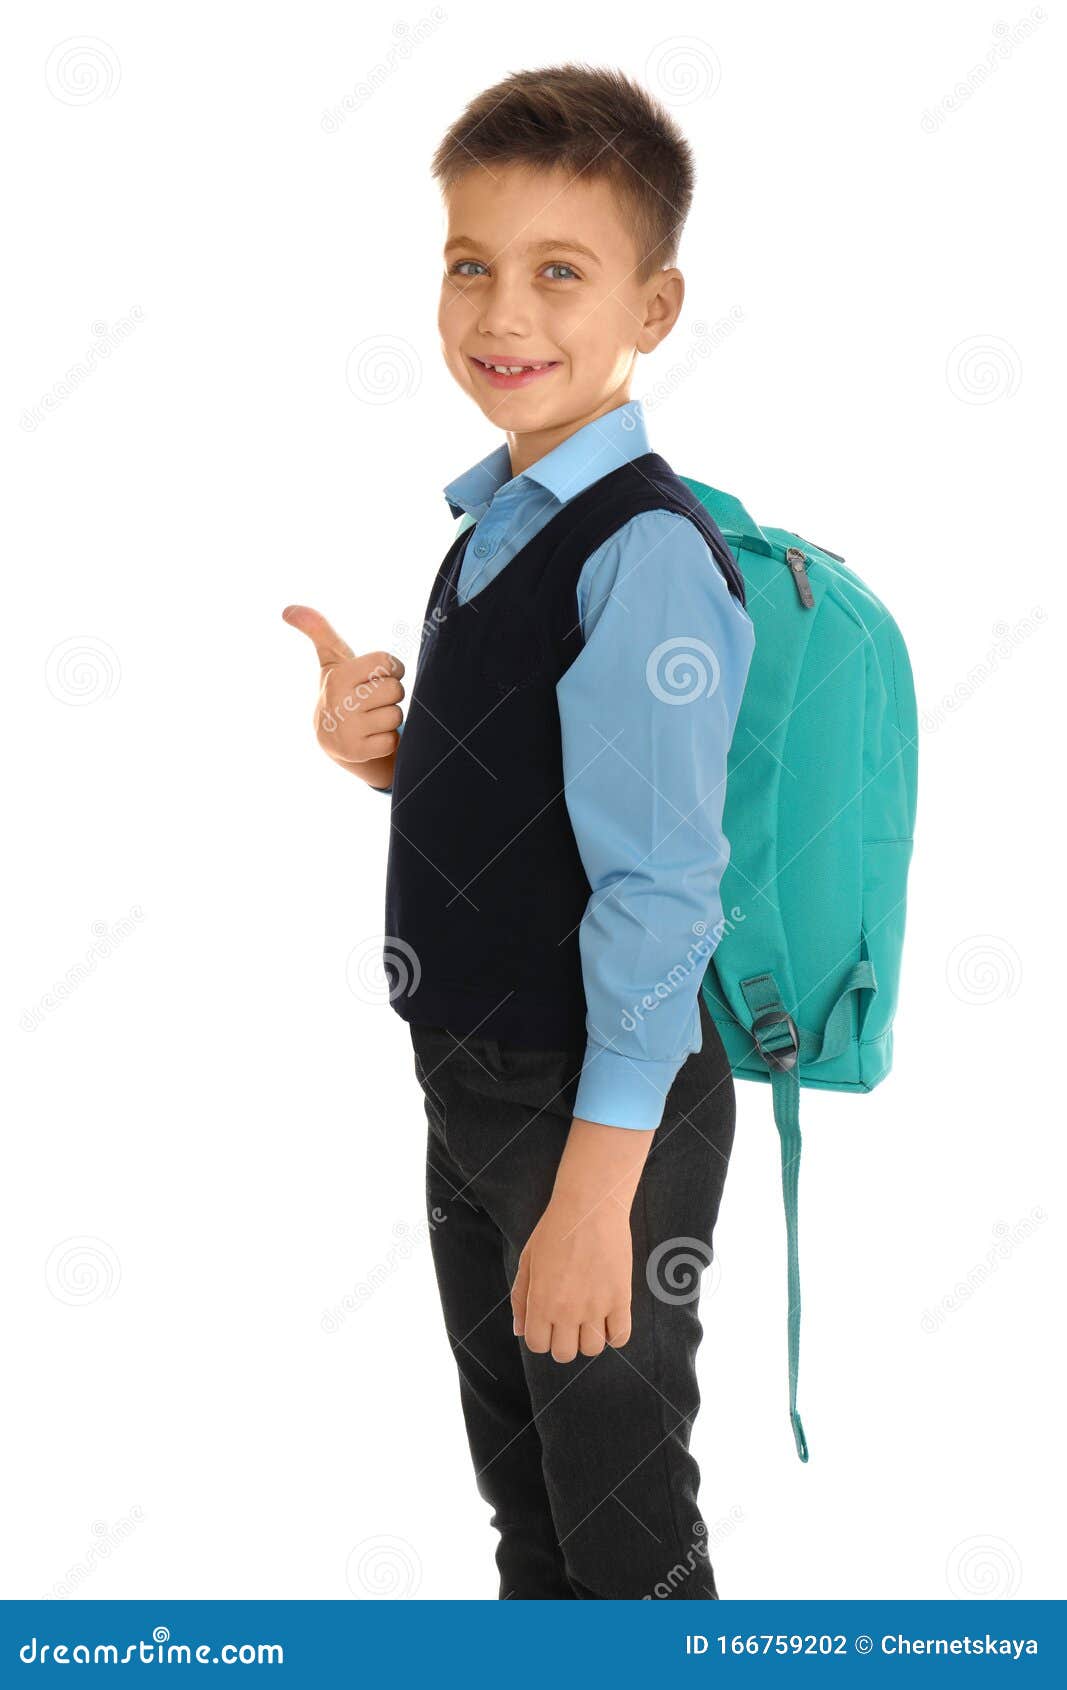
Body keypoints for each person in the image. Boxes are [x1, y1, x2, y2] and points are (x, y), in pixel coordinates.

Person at [284, 64, 755, 1600]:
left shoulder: (643, 553)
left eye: (562, 272)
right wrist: (385, 756)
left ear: (654, 306)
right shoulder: (498, 519)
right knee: (534, 1523)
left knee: (627, 1540)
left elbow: (660, 888)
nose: (504, 312)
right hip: (475, 1081)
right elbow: (539, 804)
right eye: (470, 264)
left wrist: (599, 1197)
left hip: (600, 1109)